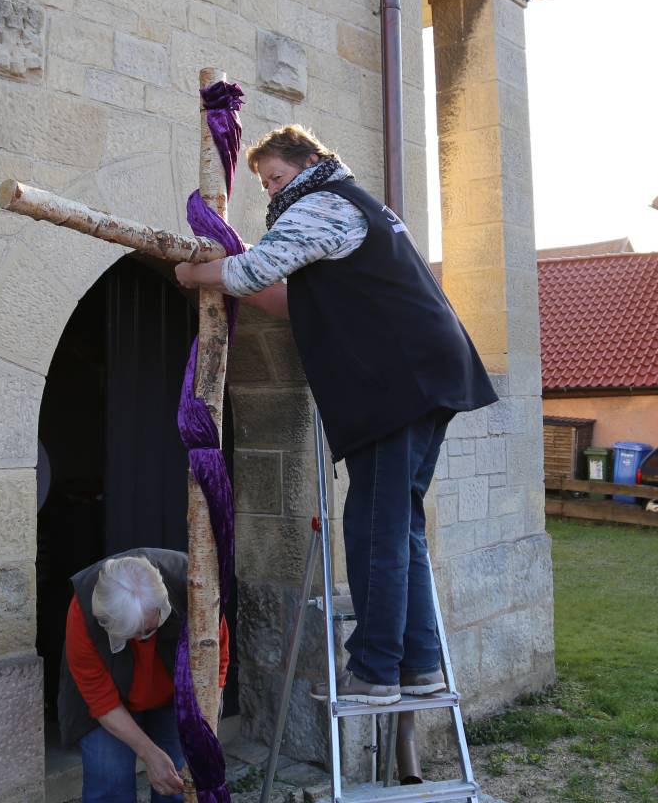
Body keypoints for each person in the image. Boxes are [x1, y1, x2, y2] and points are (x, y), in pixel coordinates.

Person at [174, 125, 497, 705]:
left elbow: (252, 274)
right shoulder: (353, 210)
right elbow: (288, 299)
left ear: (308, 162)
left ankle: (374, 672)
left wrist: (193, 273)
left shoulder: (323, 202)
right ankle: (421, 665)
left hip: (399, 382)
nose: (271, 190)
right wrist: (234, 270)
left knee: (374, 527)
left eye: (275, 177)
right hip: (424, 375)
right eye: (266, 181)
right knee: (400, 525)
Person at [59, 549, 228, 803]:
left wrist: (201, 724)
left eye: (147, 631)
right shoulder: (83, 612)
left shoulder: (196, 589)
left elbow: (216, 665)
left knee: (179, 780)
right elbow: (100, 698)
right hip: (109, 703)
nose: (141, 640)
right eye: (130, 635)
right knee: (109, 785)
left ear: (161, 605)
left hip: (178, 696)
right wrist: (148, 753)